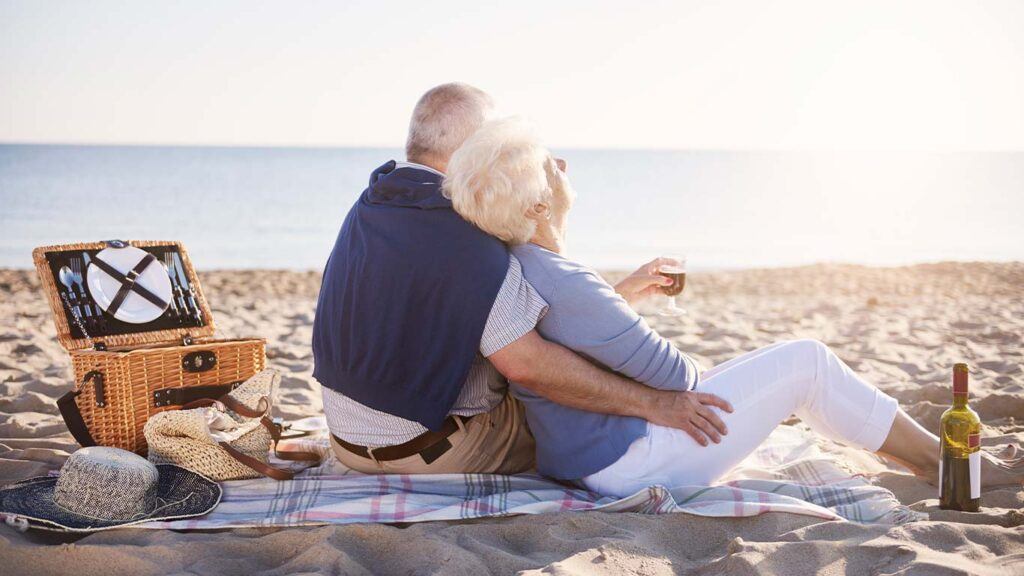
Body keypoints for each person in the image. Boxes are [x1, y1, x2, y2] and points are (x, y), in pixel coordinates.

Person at [443, 117, 1024, 496]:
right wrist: (621, 316)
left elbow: (576, 331)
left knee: (786, 371)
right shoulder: (569, 282)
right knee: (807, 362)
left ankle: (911, 452)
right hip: (630, 462)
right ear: (539, 206)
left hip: (585, 458)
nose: (565, 167)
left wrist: (620, 299)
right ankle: (946, 465)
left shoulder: (521, 264)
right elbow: (680, 379)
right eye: (552, 165)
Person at [311, 84, 733, 475]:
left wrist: (618, 295)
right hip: (430, 453)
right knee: (572, 407)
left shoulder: (375, 202)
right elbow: (530, 366)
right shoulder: (463, 231)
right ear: (477, 149)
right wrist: (655, 404)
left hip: (349, 444)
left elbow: (438, 311)